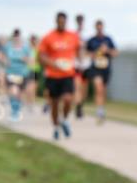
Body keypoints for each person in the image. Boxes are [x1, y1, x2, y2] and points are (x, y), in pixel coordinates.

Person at [38, 12, 82, 140]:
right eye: (59, 22)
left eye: (64, 22)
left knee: (68, 99)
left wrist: (80, 60)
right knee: (55, 105)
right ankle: (56, 127)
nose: (61, 24)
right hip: (53, 75)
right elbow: (41, 57)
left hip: (68, 74)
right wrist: (53, 63)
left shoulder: (72, 36)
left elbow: (79, 50)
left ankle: (64, 119)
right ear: (56, 21)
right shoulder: (48, 37)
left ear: (66, 22)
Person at [85, 20, 118, 124]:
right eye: (97, 27)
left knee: (103, 90)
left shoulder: (108, 39)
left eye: (101, 27)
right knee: (98, 87)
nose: (99, 29)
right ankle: (99, 111)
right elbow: (85, 53)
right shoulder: (91, 40)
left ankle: (101, 108)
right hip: (95, 68)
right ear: (95, 28)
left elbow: (115, 52)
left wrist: (107, 50)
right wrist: (96, 52)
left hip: (106, 68)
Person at [3, 29, 33, 121]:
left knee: (19, 93)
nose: (16, 37)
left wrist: (25, 59)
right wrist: (5, 60)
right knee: (13, 91)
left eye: (18, 35)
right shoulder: (8, 46)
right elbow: (0, 54)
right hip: (11, 72)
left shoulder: (25, 47)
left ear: (20, 36)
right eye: (15, 35)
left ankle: (17, 109)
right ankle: (14, 112)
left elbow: (31, 60)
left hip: (22, 73)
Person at [73, 14, 89, 118]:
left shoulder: (87, 35)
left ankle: (81, 105)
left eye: (81, 21)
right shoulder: (73, 35)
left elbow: (90, 49)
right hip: (76, 65)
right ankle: (78, 108)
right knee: (77, 87)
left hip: (86, 65)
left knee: (84, 89)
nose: (80, 23)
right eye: (78, 21)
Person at [26, 34, 41, 112]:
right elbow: (30, 60)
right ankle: (30, 104)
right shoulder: (30, 49)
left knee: (33, 88)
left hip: (36, 70)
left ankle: (30, 103)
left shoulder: (37, 49)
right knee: (31, 88)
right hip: (30, 70)